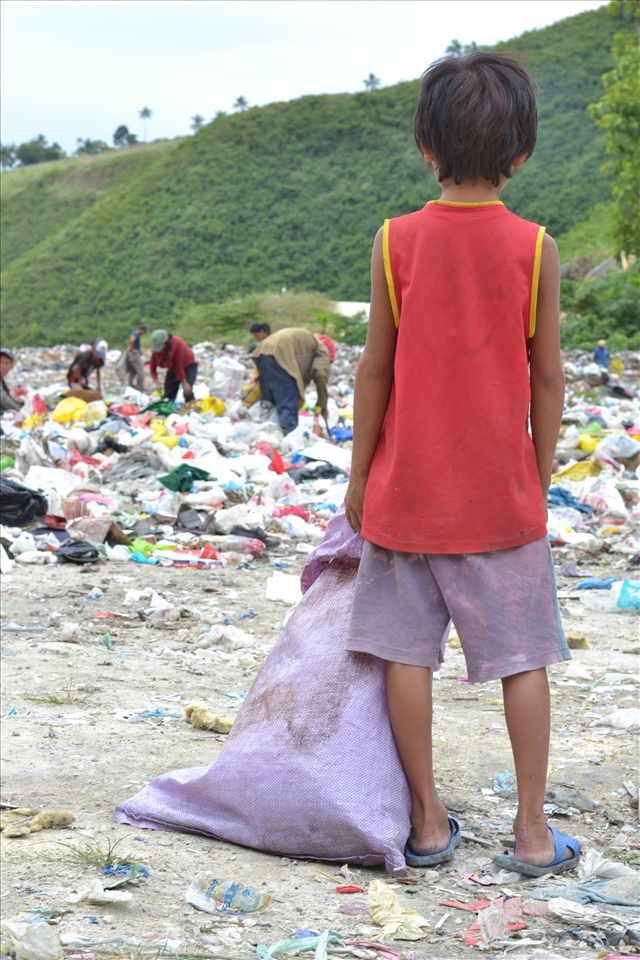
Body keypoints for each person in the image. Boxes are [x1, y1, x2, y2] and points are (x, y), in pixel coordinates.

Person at [344, 53, 579, 877]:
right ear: (521, 153)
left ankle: (428, 823)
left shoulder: (394, 240)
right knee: (523, 660)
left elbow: (376, 367)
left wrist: (356, 475)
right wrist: (536, 473)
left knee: (406, 655)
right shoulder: (537, 248)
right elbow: (547, 374)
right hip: (501, 499)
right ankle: (532, 834)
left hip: (405, 494)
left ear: (424, 143)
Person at [251, 327, 332, 434]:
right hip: (280, 354)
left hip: (263, 351)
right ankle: (288, 441)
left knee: (270, 404)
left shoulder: (308, 342)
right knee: (288, 402)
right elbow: (320, 373)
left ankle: (267, 438)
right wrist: (322, 404)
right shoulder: (323, 349)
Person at [149, 330, 197, 402]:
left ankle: (191, 408)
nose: (159, 350)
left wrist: (184, 383)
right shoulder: (156, 351)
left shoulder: (177, 343)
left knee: (187, 391)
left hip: (188, 365)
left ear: (166, 343)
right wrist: (157, 383)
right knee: (168, 394)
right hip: (173, 368)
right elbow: (152, 367)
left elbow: (179, 365)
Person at [124, 323, 149, 389]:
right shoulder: (136, 334)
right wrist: (133, 349)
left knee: (132, 371)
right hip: (134, 356)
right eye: (145, 331)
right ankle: (140, 386)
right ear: (142, 329)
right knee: (140, 371)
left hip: (132, 355)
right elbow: (132, 339)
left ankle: (131, 385)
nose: (144, 333)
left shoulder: (135, 333)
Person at [0, 348, 22, 412]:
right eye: (0, 362)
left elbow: (6, 394)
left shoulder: (1, 380)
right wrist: (18, 410)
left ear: (11, 366)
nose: (3, 366)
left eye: (7, 363)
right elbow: (2, 397)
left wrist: (19, 403)